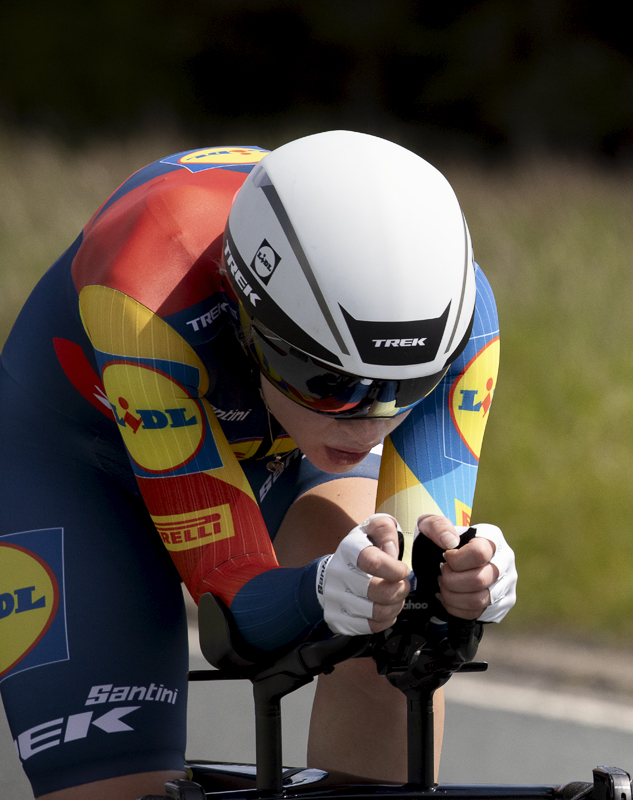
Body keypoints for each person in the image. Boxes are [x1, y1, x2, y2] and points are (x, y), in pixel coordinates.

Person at [0, 131, 517, 800]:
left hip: (275, 451)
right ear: (247, 324)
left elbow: (422, 571)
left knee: (390, 629)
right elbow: (236, 611)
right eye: (329, 383)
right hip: (83, 470)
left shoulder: (462, 316)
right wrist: (317, 592)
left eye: (410, 388)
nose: (369, 425)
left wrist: (462, 581)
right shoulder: (146, 287)